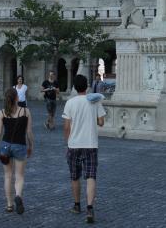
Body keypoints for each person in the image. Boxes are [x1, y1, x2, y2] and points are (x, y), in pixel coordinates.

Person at [62, 74, 106, 224]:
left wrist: (67, 144)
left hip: (74, 144)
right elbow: (101, 122)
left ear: (74, 87)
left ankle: (76, 205)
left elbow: (66, 127)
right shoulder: (94, 101)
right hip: (91, 144)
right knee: (91, 176)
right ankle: (89, 208)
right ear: (87, 86)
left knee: (75, 176)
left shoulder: (70, 103)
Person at [0, 88, 34, 215]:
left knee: (7, 176)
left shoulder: (1, 113)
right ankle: (18, 196)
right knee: (19, 176)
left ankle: (9, 205)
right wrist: (31, 145)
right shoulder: (26, 111)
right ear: (17, 98)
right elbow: (29, 132)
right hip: (20, 145)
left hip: (5, 146)